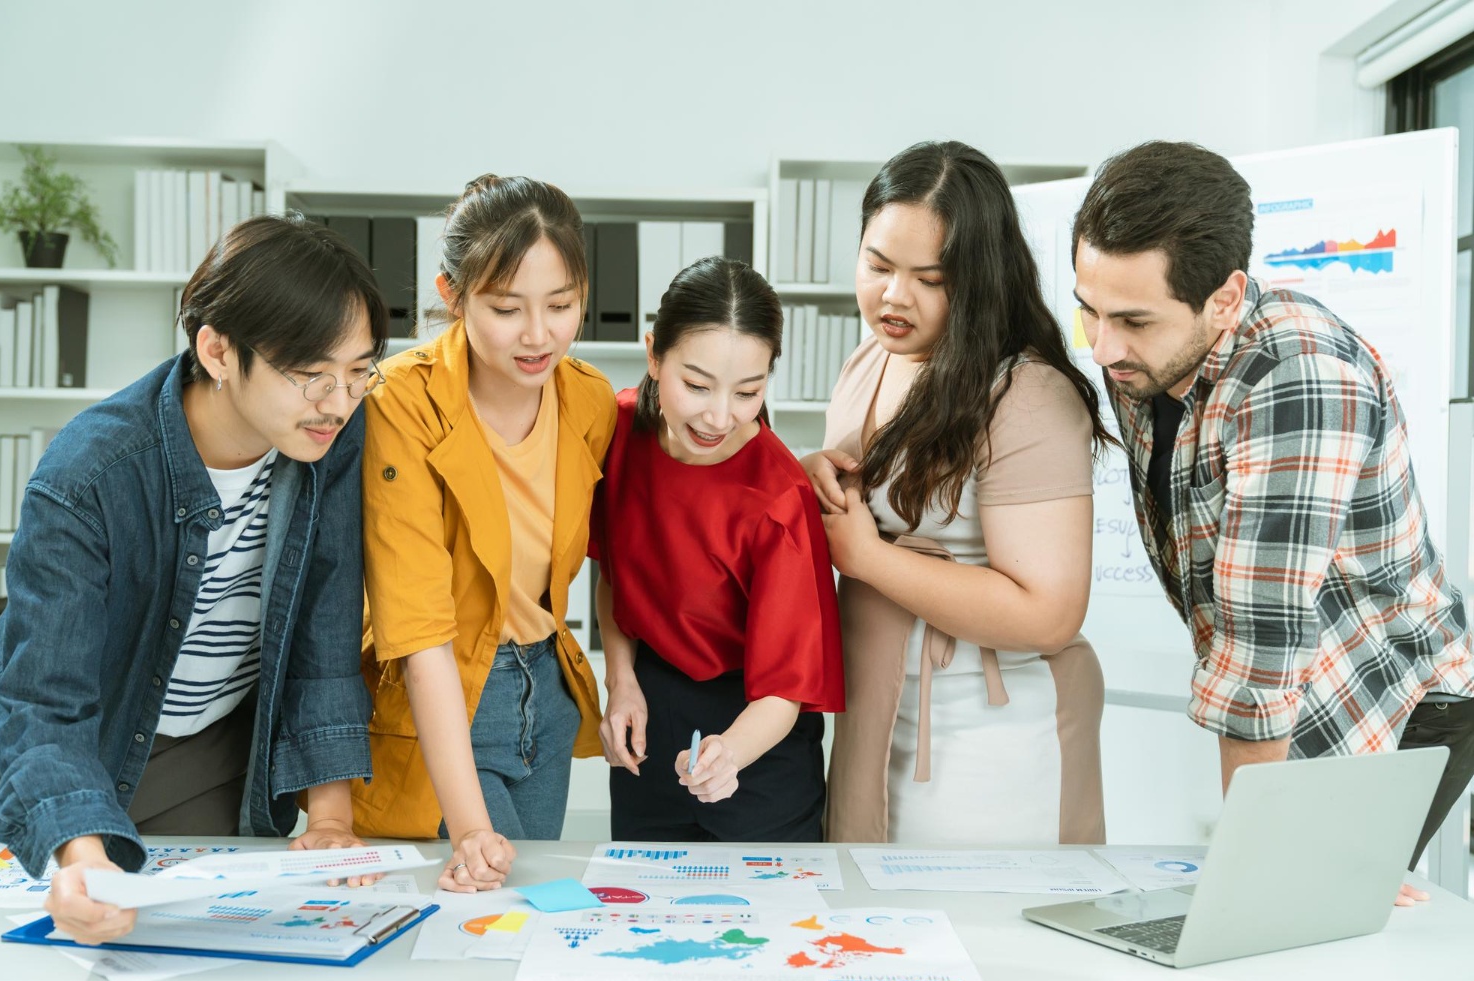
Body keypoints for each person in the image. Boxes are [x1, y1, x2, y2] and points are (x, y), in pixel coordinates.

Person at [1070, 139, 1474, 902]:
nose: (1104, 346)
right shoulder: (1145, 354)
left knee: (1297, 926)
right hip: (1299, 690)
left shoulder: (1297, 378)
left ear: (1224, 298)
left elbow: (1260, 639)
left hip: (1388, 702)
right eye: (1088, 309)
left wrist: (1257, 873)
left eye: (1132, 319)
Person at [0, 214, 389, 944]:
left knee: (205, 948)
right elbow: (44, 701)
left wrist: (329, 819)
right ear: (218, 349)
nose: (339, 398)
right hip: (86, 742)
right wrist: (77, 847)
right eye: (311, 373)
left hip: (214, 745)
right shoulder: (87, 474)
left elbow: (324, 629)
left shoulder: (333, 432)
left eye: (359, 370)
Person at [803, 140, 1110, 844]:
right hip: (878, 714)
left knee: (977, 936)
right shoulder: (870, 360)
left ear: (978, 279)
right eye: (877, 265)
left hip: (989, 734)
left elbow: (1048, 614)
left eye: (930, 277)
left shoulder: (1024, 393)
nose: (892, 295)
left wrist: (869, 558)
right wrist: (816, 467)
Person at [353, 175, 615, 892]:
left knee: (520, 929)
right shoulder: (401, 404)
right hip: (448, 695)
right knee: (487, 904)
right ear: (452, 293)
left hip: (548, 695)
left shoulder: (588, 398)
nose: (539, 335)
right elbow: (420, 626)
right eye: (506, 308)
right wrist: (469, 825)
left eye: (561, 305)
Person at [592, 255, 844, 841]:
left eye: (747, 391)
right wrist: (621, 682)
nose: (718, 416)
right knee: (640, 914)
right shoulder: (620, 433)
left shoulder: (780, 499)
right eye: (697, 385)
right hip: (650, 719)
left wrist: (728, 755)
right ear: (654, 355)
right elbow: (614, 576)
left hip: (759, 738)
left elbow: (785, 690)